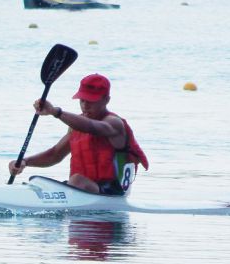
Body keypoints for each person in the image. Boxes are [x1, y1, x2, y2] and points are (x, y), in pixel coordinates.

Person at [9, 74, 148, 195]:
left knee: (76, 180)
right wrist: (25, 162)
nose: (85, 106)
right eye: (82, 100)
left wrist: (55, 112)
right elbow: (55, 154)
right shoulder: (75, 125)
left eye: (91, 101)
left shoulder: (114, 124)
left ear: (106, 99)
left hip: (112, 192)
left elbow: (92, 127)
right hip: (82, 189)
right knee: (38, 182)